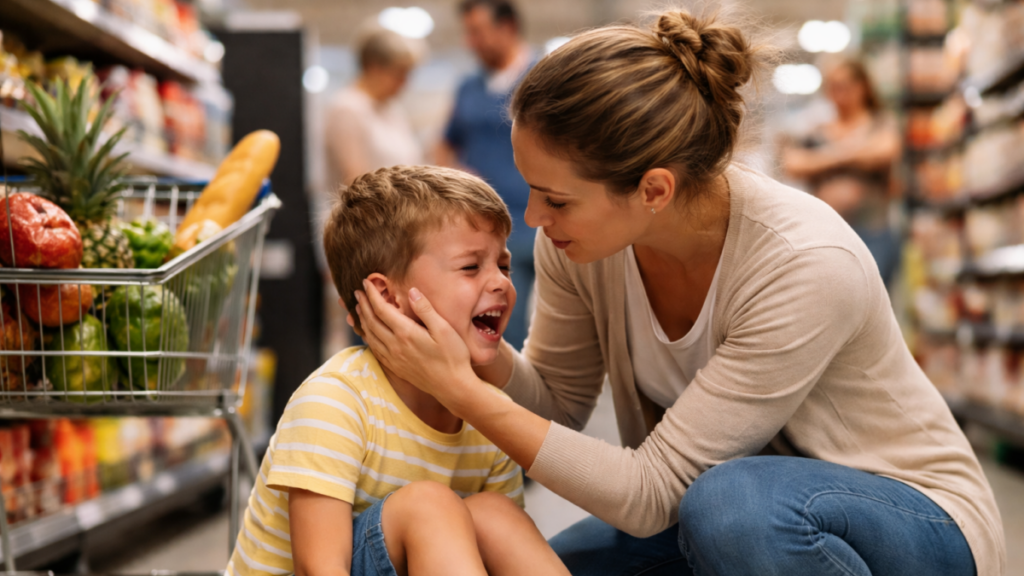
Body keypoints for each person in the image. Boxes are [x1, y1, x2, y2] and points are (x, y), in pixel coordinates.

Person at [353, 8, 1005, 576]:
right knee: (533, 561)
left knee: (733, 506)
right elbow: (557, 406)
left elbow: (649, 495)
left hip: (905, 517)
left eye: (556, 199)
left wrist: (460, 390)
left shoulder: (804, 263)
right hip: (720, 513)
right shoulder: (580, 247)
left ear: (654, 190)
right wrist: (478, 349)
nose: (533, 219)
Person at [227, 166, 570, 576]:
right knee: (428, 505)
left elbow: (497, 560)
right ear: (387, 297)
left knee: (495, 512)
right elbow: (318, 568)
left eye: (504, 265)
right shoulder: (334, 401)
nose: (501, 283)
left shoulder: (488, 413)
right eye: (470, 267)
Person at [437, 0, 536, 351]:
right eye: (468, 33)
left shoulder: (542, 78)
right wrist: (453, 177)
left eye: (477, 32)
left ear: (507, 27)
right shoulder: (469, 87)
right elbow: (444, 144)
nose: (470, 42)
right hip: (484, 226)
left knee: (534, 328)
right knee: (496, 322)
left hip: (536, 221)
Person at [782, 58, 902, 286]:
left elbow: (885, 151)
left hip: (873, 232)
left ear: (862, 87)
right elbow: (793, 163)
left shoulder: (880, 123)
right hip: (827, 235)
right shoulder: (818, 129)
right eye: (834, 87)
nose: (839, 94)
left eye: (845, 86)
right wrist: (850, 154)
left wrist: (827, 156)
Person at [326, 28, 423, 186]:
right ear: (374, 67)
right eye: (399, 74)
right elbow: (356, 181)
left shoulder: (392, 109)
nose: (405, 83)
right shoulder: (347, 109)